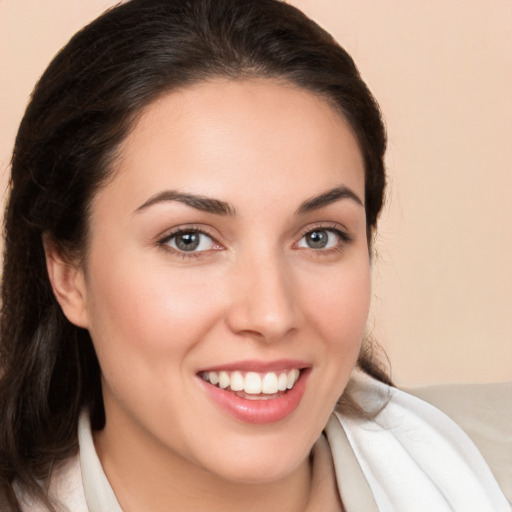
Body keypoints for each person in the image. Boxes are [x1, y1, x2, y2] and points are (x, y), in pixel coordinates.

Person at [0, 0, 509, 511]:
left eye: (319, 237)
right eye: (189, 240)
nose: (272, 314)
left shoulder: (492, 466)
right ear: (68, 274)